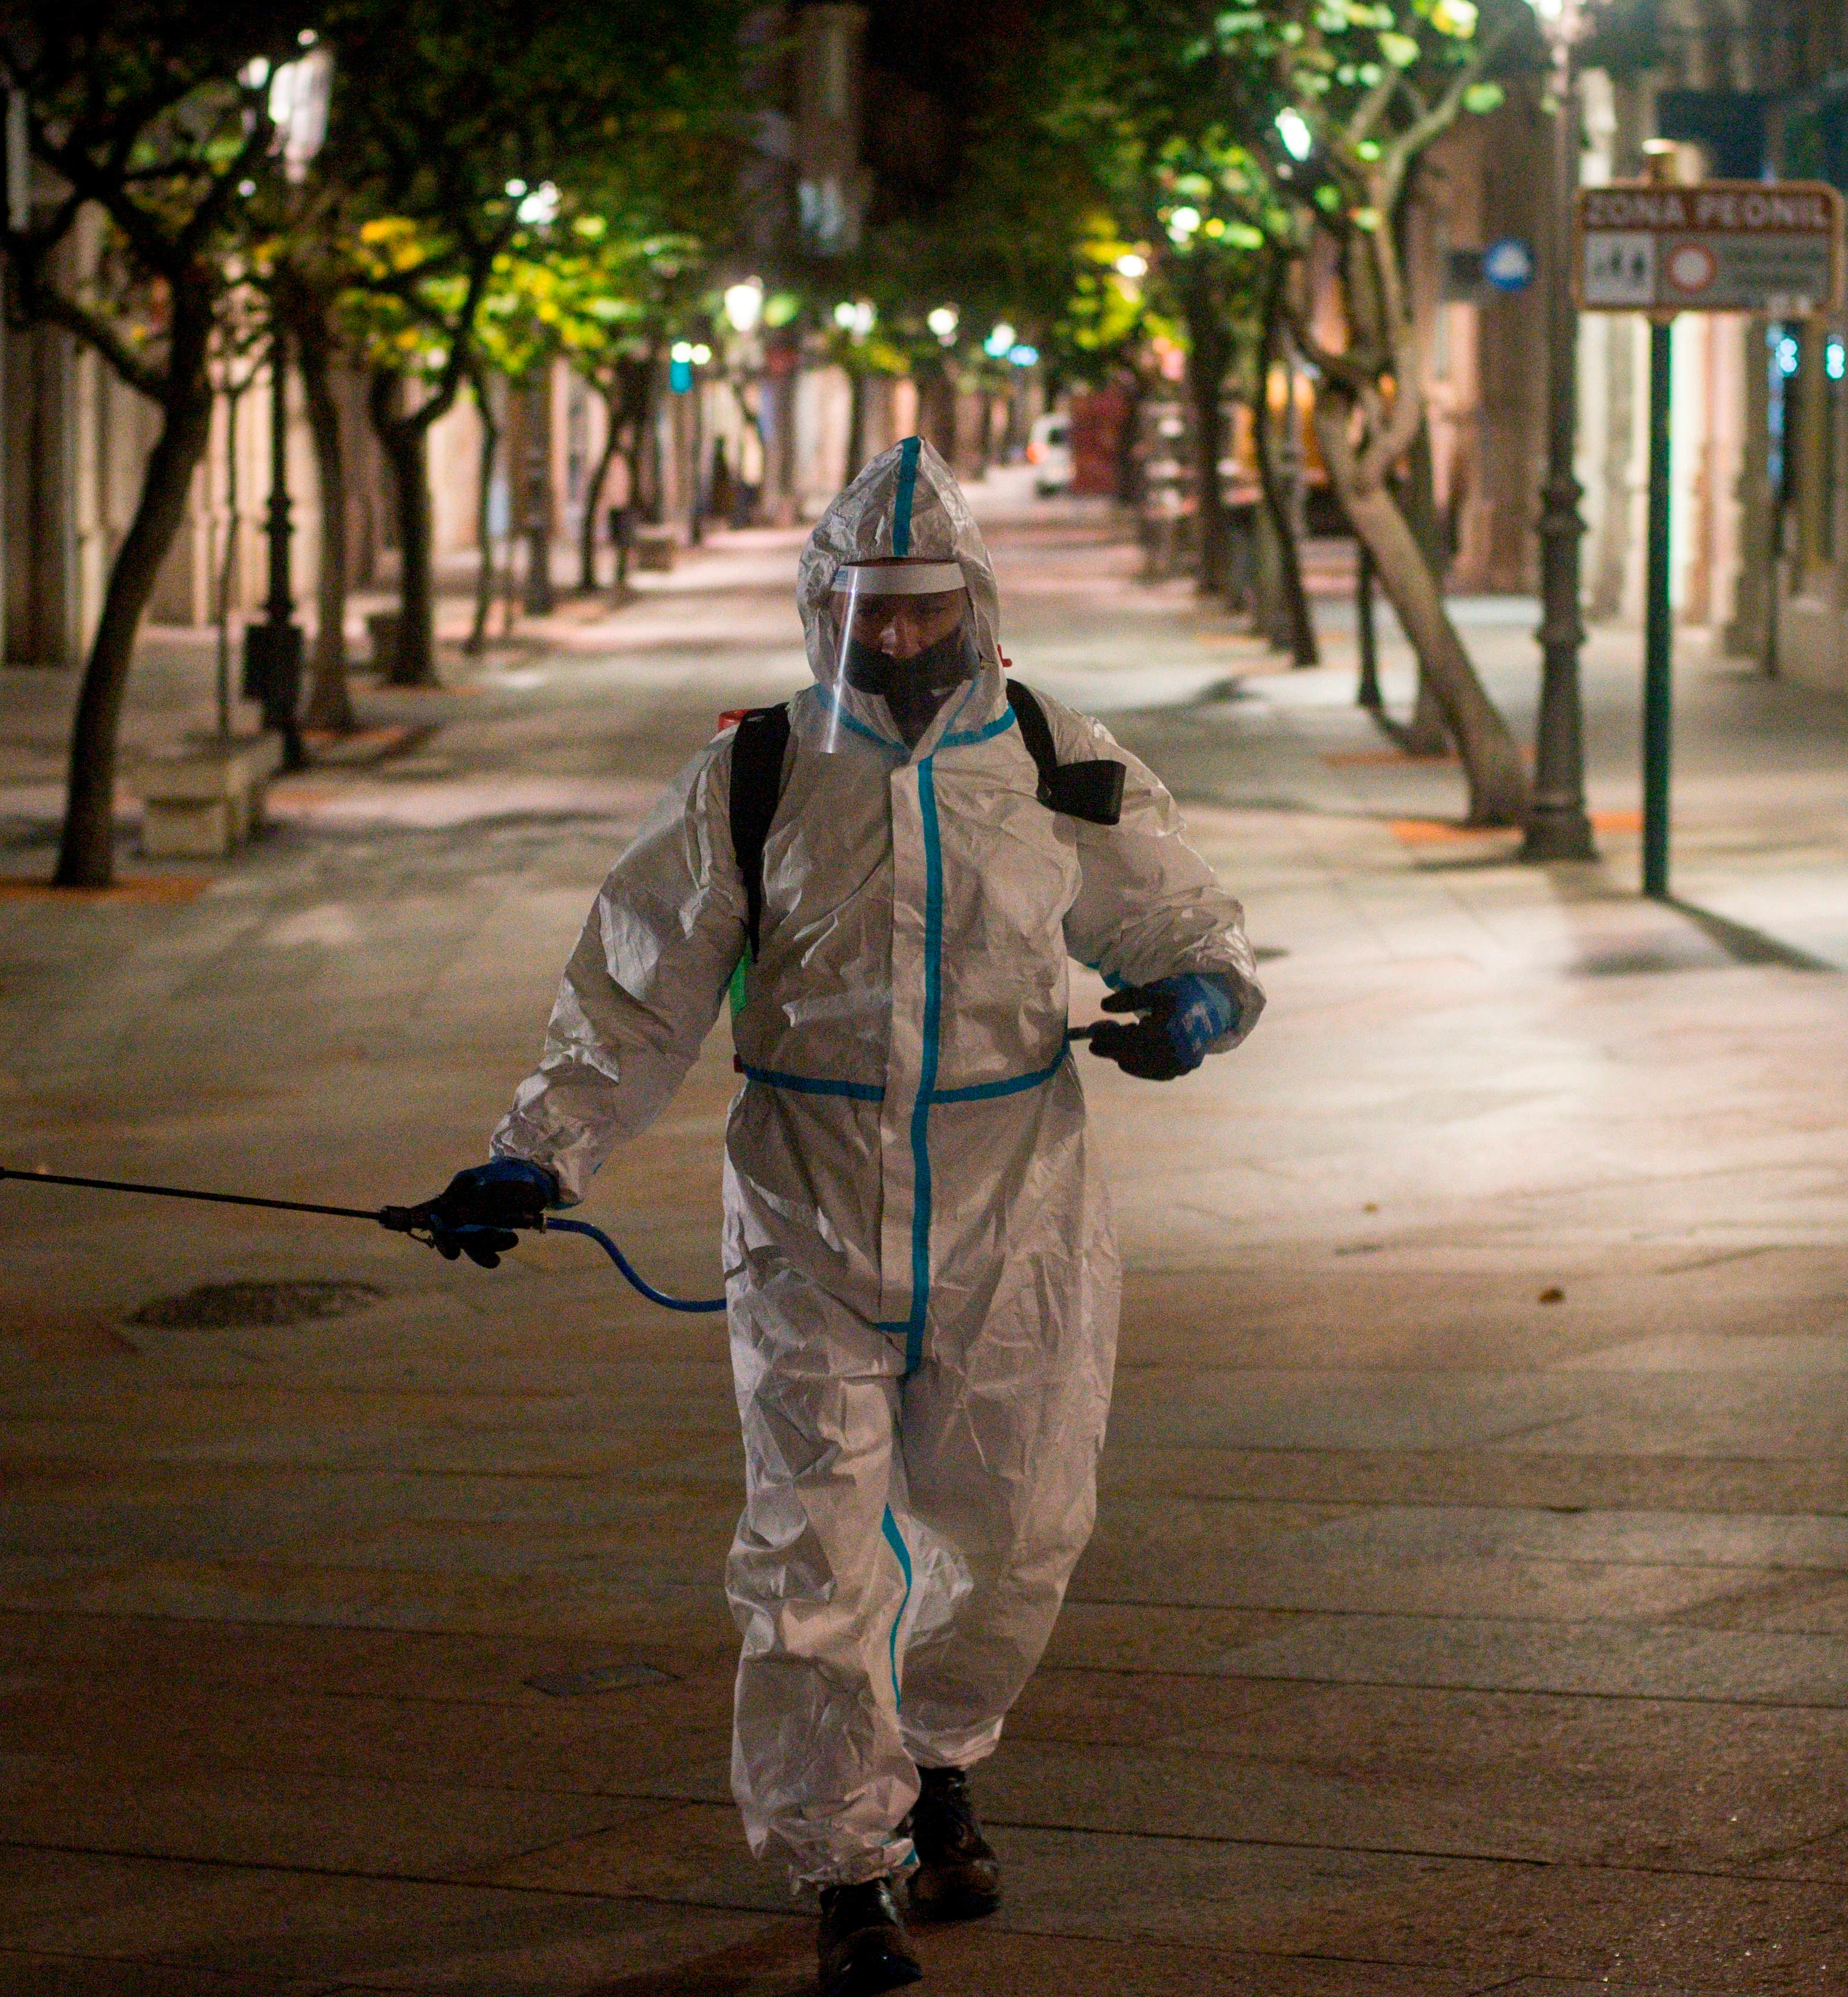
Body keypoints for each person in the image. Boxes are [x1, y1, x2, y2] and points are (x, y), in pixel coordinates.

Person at [421, 438, 1260, 1996]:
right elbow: (637, 981)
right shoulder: (756, 775)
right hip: (806, 1210)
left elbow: (1181, 921)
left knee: (1009, 1534)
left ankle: (939, 1755)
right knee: (811, 1553)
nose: (894, 638)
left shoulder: (1053, 757)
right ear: (827, 604)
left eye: (922, 609)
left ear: (971, 605)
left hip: (1021, 1212)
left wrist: (1193, 1004)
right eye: (868, 609)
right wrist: (537, 1152)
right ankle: (843, 1865)